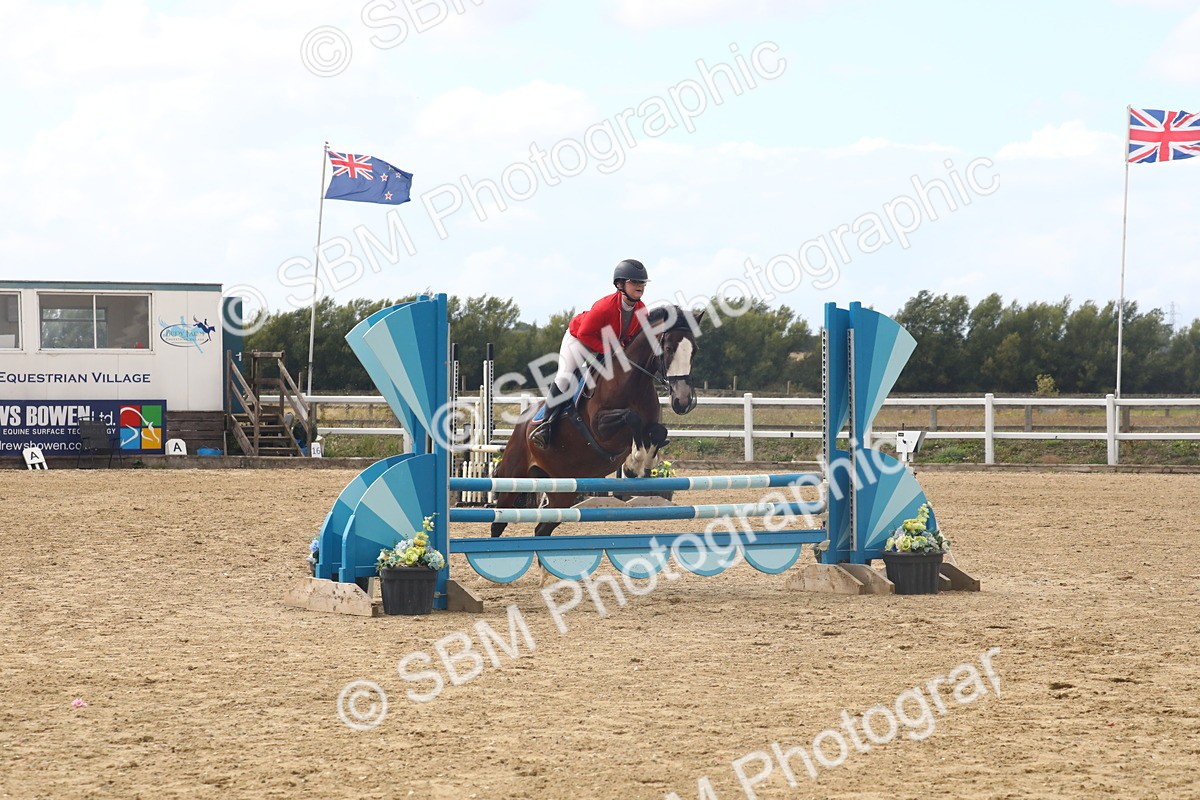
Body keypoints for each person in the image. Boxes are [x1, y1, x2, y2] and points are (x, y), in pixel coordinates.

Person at [528, 258, 649, 448]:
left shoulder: (642, 311)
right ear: (620, 284)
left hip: (608, 343)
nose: (640, 286)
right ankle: (546, 426)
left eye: (642, 283)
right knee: (565, 377)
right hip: (580, 339)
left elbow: (632, 337)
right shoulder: (604, 306)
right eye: (634, 282)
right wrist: (612, 349)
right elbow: (585, 334)